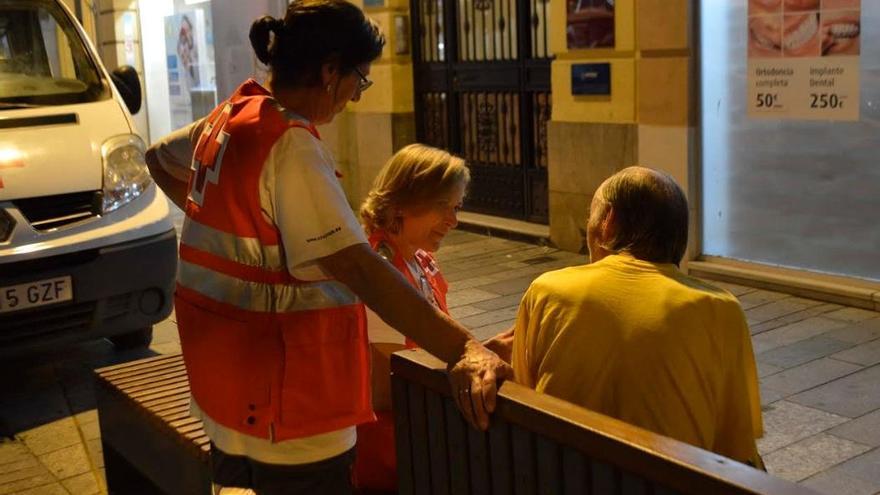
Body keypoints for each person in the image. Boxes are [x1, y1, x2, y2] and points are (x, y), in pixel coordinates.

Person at [144, 2, 509, 493]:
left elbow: (158, 157)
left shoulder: (230, 117)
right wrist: (464, 347)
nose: (356, 97)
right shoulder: (290, 144)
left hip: (226, 392)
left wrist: (224, 218)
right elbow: (359, 267)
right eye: (360, 78)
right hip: (292, 406)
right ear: (330, 70)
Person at [487, 166, 765, 468]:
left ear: (608, 222)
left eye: (590, 216)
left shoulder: (548, 291)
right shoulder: (721, 308)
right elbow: (735, 445)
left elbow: (529, 402)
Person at [353, 144, 468, 491]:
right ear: (403, 201)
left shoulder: (417, 258)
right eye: (442, 206)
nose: (453, 220)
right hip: (392, 446)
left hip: (418, 427)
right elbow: (390, 383)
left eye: (456, 207)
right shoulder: (380, 271)